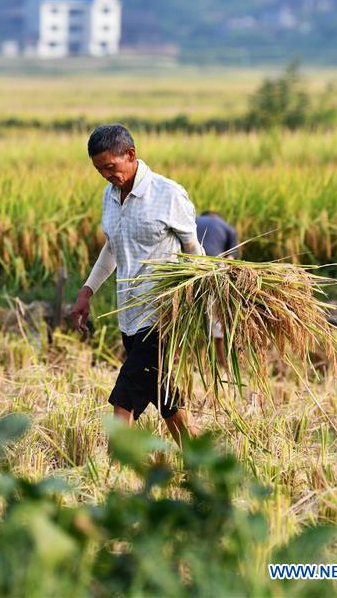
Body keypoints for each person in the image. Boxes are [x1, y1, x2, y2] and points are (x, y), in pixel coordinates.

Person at [70, 124, 201, 445]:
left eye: (110, 167)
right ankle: (199, 459)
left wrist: (200, 305)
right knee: (169, 402)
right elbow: (113, 247)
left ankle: (114, 475)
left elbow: (194, 252)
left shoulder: (168, 194)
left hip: (163, 318)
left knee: (123, 397)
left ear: (131, 155)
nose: (105, 175)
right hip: (129, 317)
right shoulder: (110, 196)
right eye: (99, 169)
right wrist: (87, 291)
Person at [195, 211, 238, 368]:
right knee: (217, 323)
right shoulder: (228, 228)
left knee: (180, 321)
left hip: (188, 267)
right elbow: (230, 261)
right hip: (213, 271)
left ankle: (175, 359)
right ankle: (223, 364)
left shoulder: (193, 220)